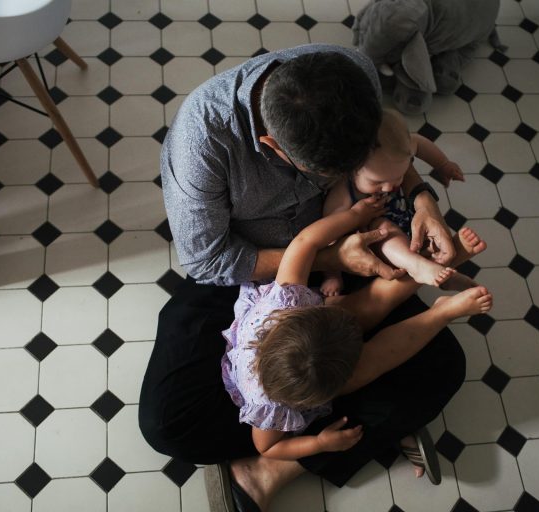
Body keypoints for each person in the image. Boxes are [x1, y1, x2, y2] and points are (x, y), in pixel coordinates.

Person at [138, 44, 469, 512]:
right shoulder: (204, 140)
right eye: (327, 174)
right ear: (274, 146)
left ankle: (278, 461)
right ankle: (334, 433)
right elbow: (209, 261)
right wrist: (331, 259)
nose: (345, 179)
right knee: (167, 424)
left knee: (446, 367)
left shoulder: (351, 74)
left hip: (348, 245)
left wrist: (421, 198)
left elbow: (390, 153)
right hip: (251, 275)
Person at [223, 195, 492, 465]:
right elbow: (268, 449)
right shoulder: (269, 406)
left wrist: (354, 216)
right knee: (373, 361)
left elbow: (305, 242)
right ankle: (442, 312)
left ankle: (433, 266)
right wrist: (318, 443)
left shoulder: (284, 302)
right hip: (310, 375)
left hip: (302, 335)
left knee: (365, 305)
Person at [321, 108, 474, 297]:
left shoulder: (399, 151)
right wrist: (332, 275)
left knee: (435, 240)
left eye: (399, 176)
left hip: (409, 219)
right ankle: (416, 265)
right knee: (383, 228)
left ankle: (444, 273)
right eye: (377, 182)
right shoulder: (343, 193)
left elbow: (420, 143)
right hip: (381, 242)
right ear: (350, 168)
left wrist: (443, 165)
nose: (389, 187)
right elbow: (329, 237)